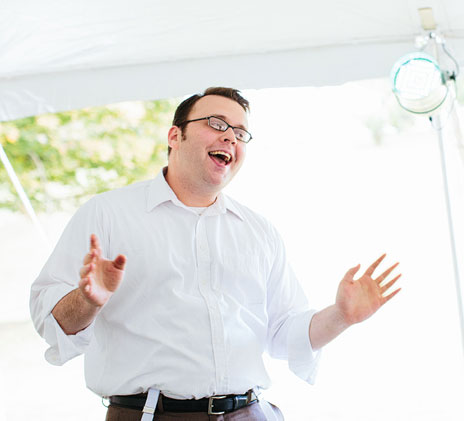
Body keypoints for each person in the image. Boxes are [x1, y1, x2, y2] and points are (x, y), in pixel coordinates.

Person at [30, 87, 401, 420]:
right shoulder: (108, 214)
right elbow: (49, 320)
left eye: (240, 133)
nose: (231, 137)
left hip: (249, 412)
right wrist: (87, 300)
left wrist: (341, 316)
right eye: (217, 123)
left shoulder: (258, 231)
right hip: (150, 415)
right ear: (176, 135)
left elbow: (284, 333)